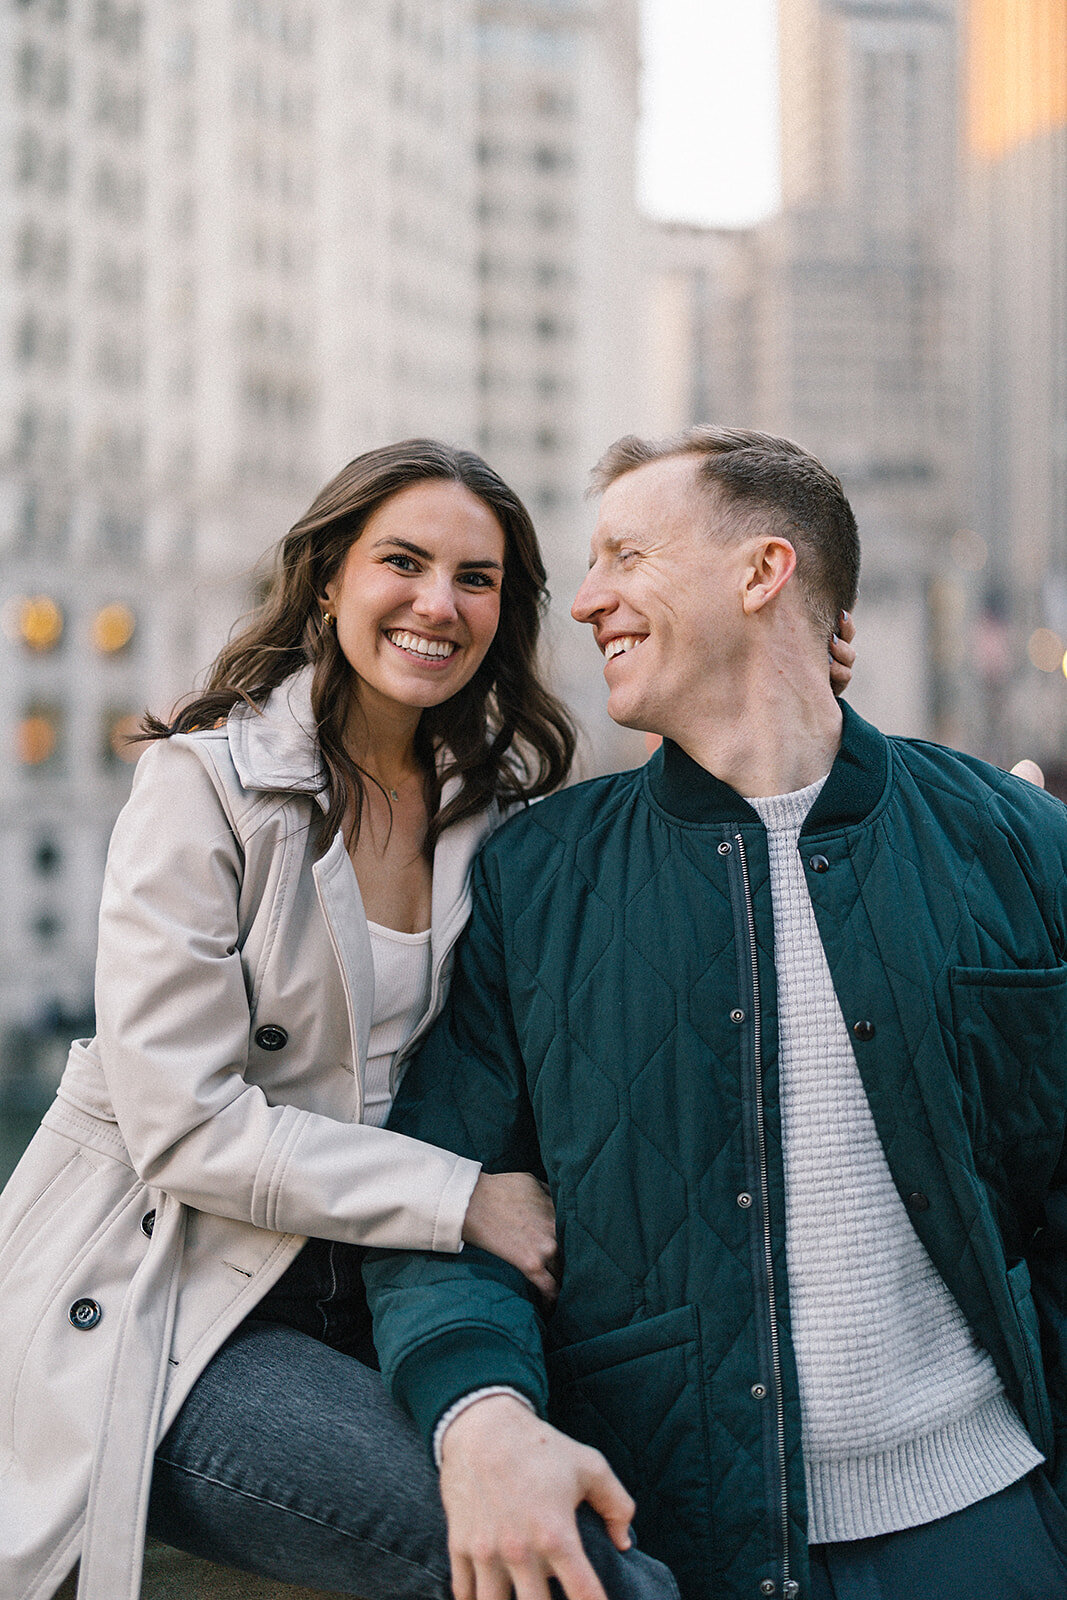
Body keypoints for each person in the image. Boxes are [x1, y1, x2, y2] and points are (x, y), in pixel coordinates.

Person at [364, 426, 1067, 1600]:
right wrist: (479, 1413)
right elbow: (442, 1195)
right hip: (669, 1544)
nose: (585, 599)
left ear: (761, 573)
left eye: (626, 555)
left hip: (992, 1532)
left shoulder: (1013, 841)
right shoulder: (534, 880)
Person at [0, 439, 581, 1600]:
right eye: (402, 562)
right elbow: (185, 1128)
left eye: (475, 578)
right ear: (326, 580)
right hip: (186, 1293)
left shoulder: (496, 813)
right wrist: (462, 1196)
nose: (437, 603)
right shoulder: (204, 787)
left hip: (400, 1283)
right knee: (535, 1563)